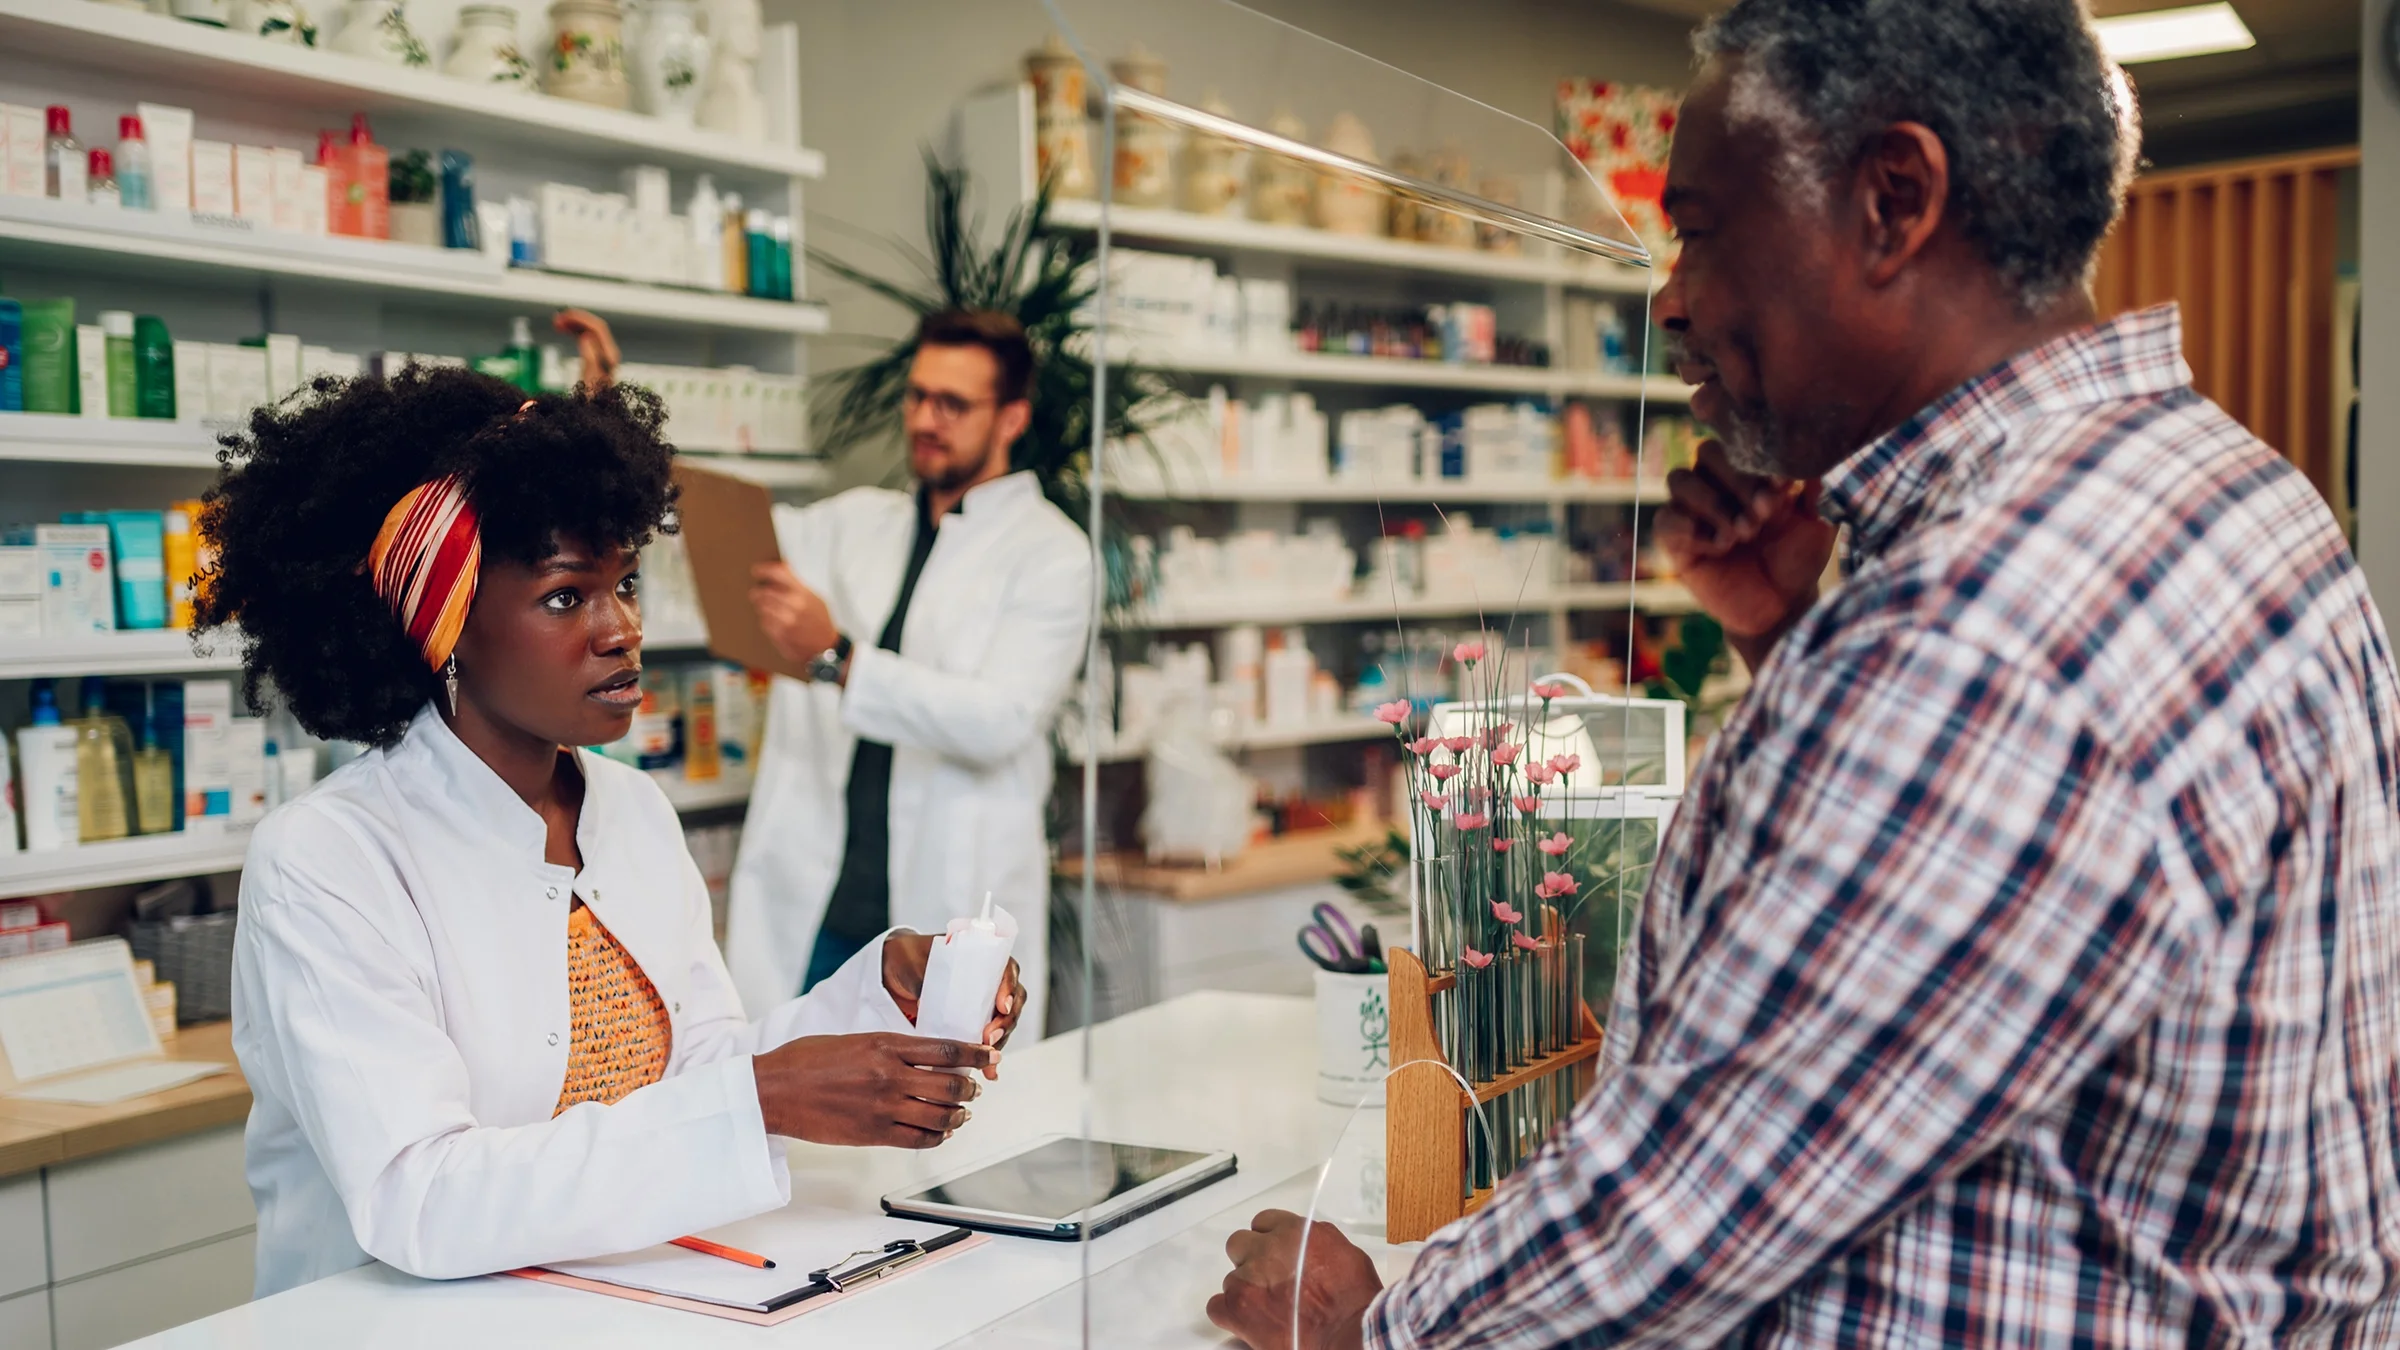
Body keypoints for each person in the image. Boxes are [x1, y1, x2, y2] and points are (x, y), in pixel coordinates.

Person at [1207, 1, 2400, 1345]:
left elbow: (1704, 1187)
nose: (1671, 294)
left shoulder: (1983, 632)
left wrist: (1376, 1321)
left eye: (1702, 227)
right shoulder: (2215, 487)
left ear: (1894, 200)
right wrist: (1796, 640)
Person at [203, 311, 1026, 1299]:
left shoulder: (631, 813)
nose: (622, 629)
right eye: (566, 597)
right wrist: (760, 1100)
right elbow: (419, 1195)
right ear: (444, 626)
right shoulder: (331, 860)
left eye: (626, 583)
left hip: (611, 1307)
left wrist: (876, 996)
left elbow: (701, 1064)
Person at [724, 309, 1092, 1035]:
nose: (927, 418)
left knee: (933, 1136)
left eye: (953, 404)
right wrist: (608, 415)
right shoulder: (858, 523)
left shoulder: (1052, 552)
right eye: (918, 396)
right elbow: (730, 531)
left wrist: (839, 659)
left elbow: (1000, 721)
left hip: (937, 922)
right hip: (821, 907)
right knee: (789, 1125)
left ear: (1012, 417)